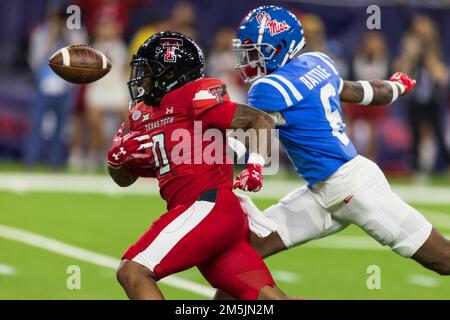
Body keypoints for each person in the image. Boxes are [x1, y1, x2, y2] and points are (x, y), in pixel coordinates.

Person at [227, 5, 450, 284]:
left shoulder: (268, 88)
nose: (250, 58)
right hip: (321, 192)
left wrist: (255, 165)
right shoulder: (319, 61)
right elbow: (361, 91)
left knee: (444, 259)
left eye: (257, 49)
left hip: (354, 188)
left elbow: (261, 125)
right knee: (242, 251)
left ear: (280, 46)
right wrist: (395, 88)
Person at [107, 31, 293, 300]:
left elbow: (260, 120)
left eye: (148, 71)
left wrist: (254, 165)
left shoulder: (195, 94)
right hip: (209, 218)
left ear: (169, 73)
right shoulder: (141, 113)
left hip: (209, 206)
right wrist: (116, 159)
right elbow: (123, 179)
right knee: (269, 299)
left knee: (132, 271)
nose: (142, 78)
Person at [395, 15, 450, 179]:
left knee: (439, 134)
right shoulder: (411, 49)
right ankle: (416, 168)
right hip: (415, 99)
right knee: (415, 135)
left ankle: (447, 165)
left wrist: (430, 59)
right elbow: (399, 70)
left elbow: (441, 77)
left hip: (433, 99)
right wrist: (411, 54)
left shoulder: (438, 49)